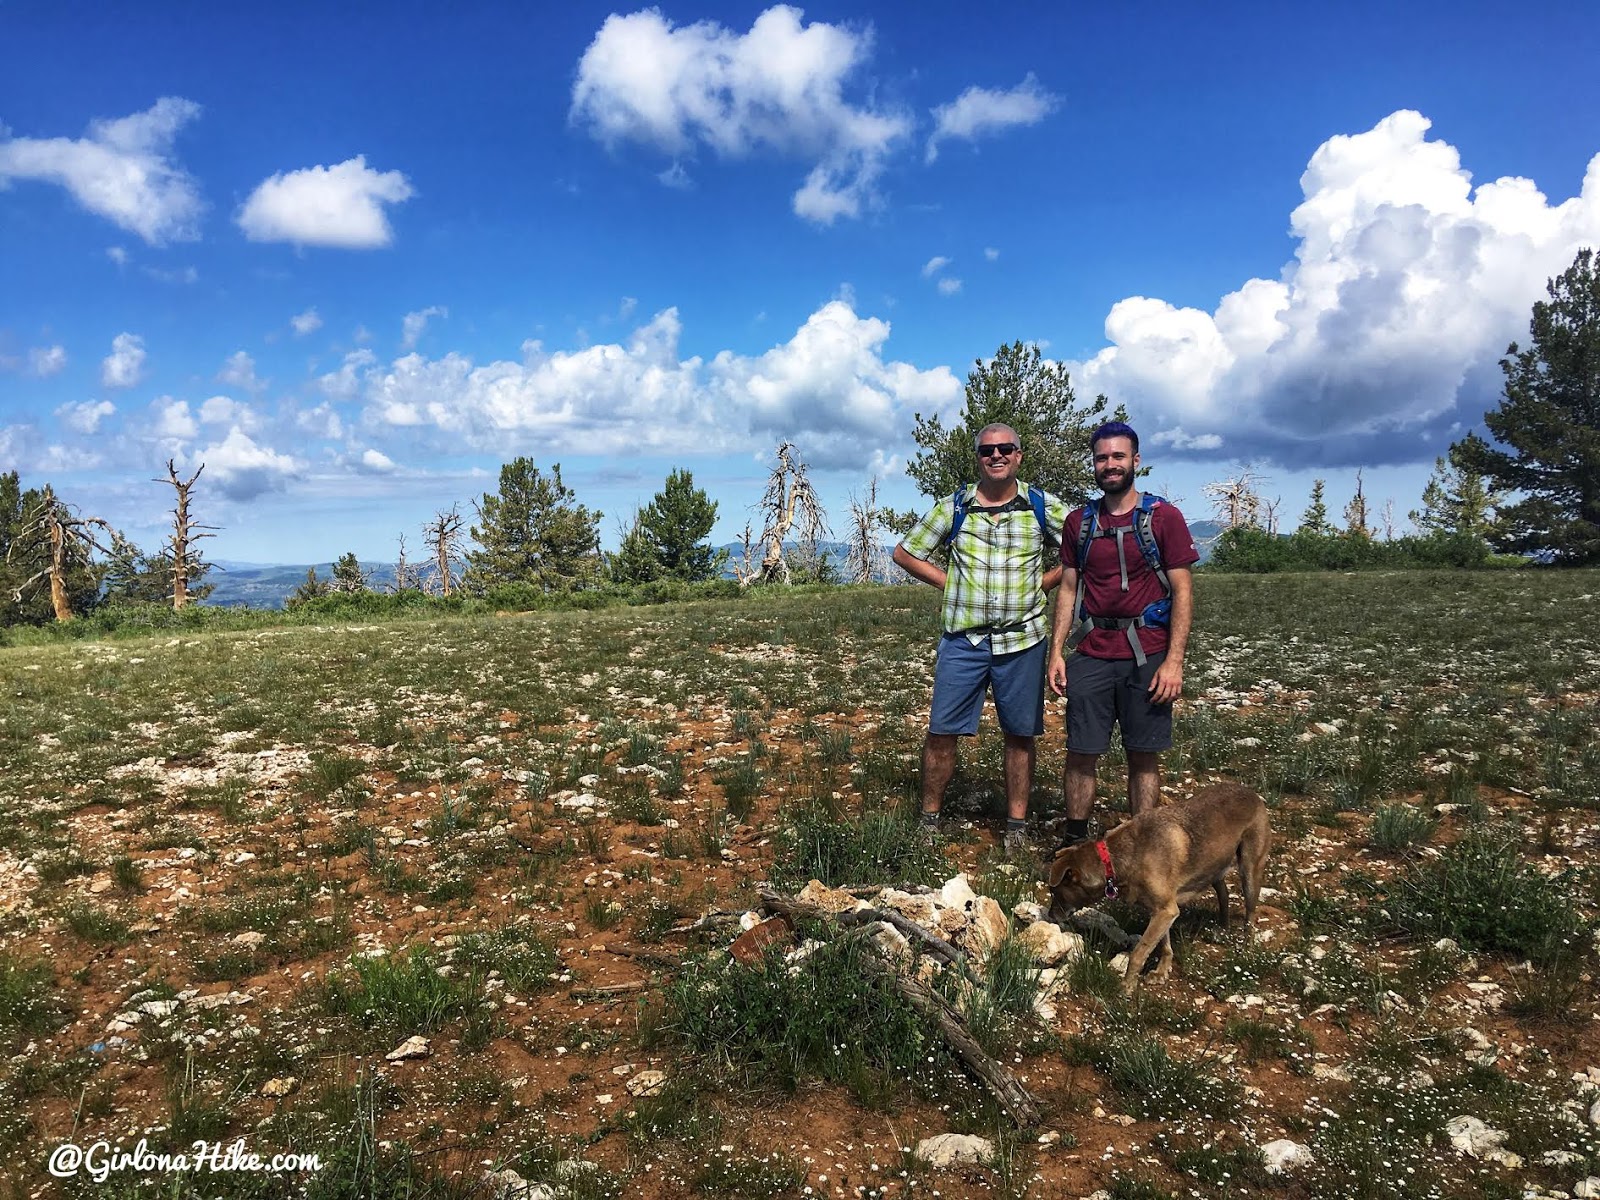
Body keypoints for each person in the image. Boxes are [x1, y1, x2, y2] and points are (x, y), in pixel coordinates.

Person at [893, 423, 1067, 855]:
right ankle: (929, 820)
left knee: (1020, 735)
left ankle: (1016, 827)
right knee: (941, 731)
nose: (996, 455)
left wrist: (1041, 584)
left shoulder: (1040, 506)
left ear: (1019, 456)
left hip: (1023, 639)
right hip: (963, 641)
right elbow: (905, 552)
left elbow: (1081, 550)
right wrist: (950, 583)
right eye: (987, 450)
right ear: (978, 458)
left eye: (1005, 448)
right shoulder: (954, 506)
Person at [1047, 421, 1198, 847]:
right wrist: (1056, 652)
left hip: (1147, 652)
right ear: (1093, 463)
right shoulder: (1079, 522)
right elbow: (1069, 589)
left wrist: (1174, 661)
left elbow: (1183, 590)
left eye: (1118, 456)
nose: (1109, 465)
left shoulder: (1164, 518)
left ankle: (1147, 847)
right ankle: (1075, 841)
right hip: (1093, 651)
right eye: (1101, 457)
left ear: (1136, 461)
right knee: (1081, 752)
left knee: (1142, 755)